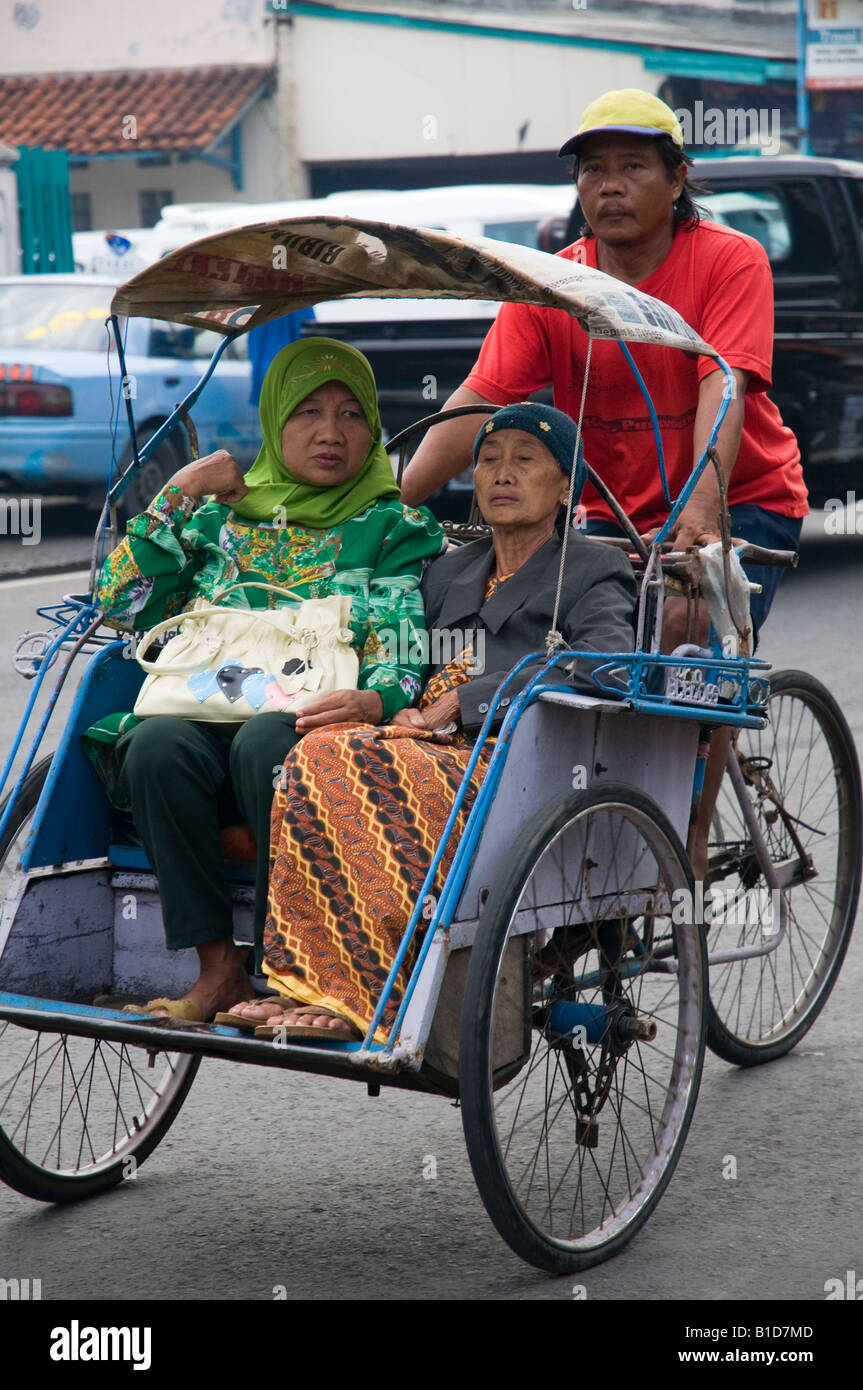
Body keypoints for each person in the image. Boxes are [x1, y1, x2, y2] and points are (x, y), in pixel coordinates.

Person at [400, 88, 808, 874]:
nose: (608, 186)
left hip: (740, 491)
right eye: (592, 171)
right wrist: (398, 498)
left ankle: (683, 833)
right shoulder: (553, 285)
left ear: (677, 178)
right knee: (561, 644)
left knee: (688, 623)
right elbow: (481, 398)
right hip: (613, 510)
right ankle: (582, 826)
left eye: (631, 167)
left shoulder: (728, 260)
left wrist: (701, 508)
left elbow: (719, 386)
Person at [225, 403, 637, 1042]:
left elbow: (603, 665)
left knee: (341, 763)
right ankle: (308, 978)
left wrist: (466, 702)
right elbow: (402, 657)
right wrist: (379, 698)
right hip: (423, 744)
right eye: (489, 461)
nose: (503, 474)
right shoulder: (449, 570)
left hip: (517, 762)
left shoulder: (592, 569)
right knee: (312, 752)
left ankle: (362, 994)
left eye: (525, 461)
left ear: (564, 486)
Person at [83, 337, 445, 1022]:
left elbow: (400, 638)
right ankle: (219, 970)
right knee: (156, 747)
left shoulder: (393, 524)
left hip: (305, 726)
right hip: (201, 713)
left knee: (266, 744)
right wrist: (180, 490)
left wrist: (375, 696)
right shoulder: (219, 518)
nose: (330, 433)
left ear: (372, 428)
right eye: (307, 411)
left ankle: (301, 968)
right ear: (274, 422)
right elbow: (118, 605)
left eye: (350, 414)